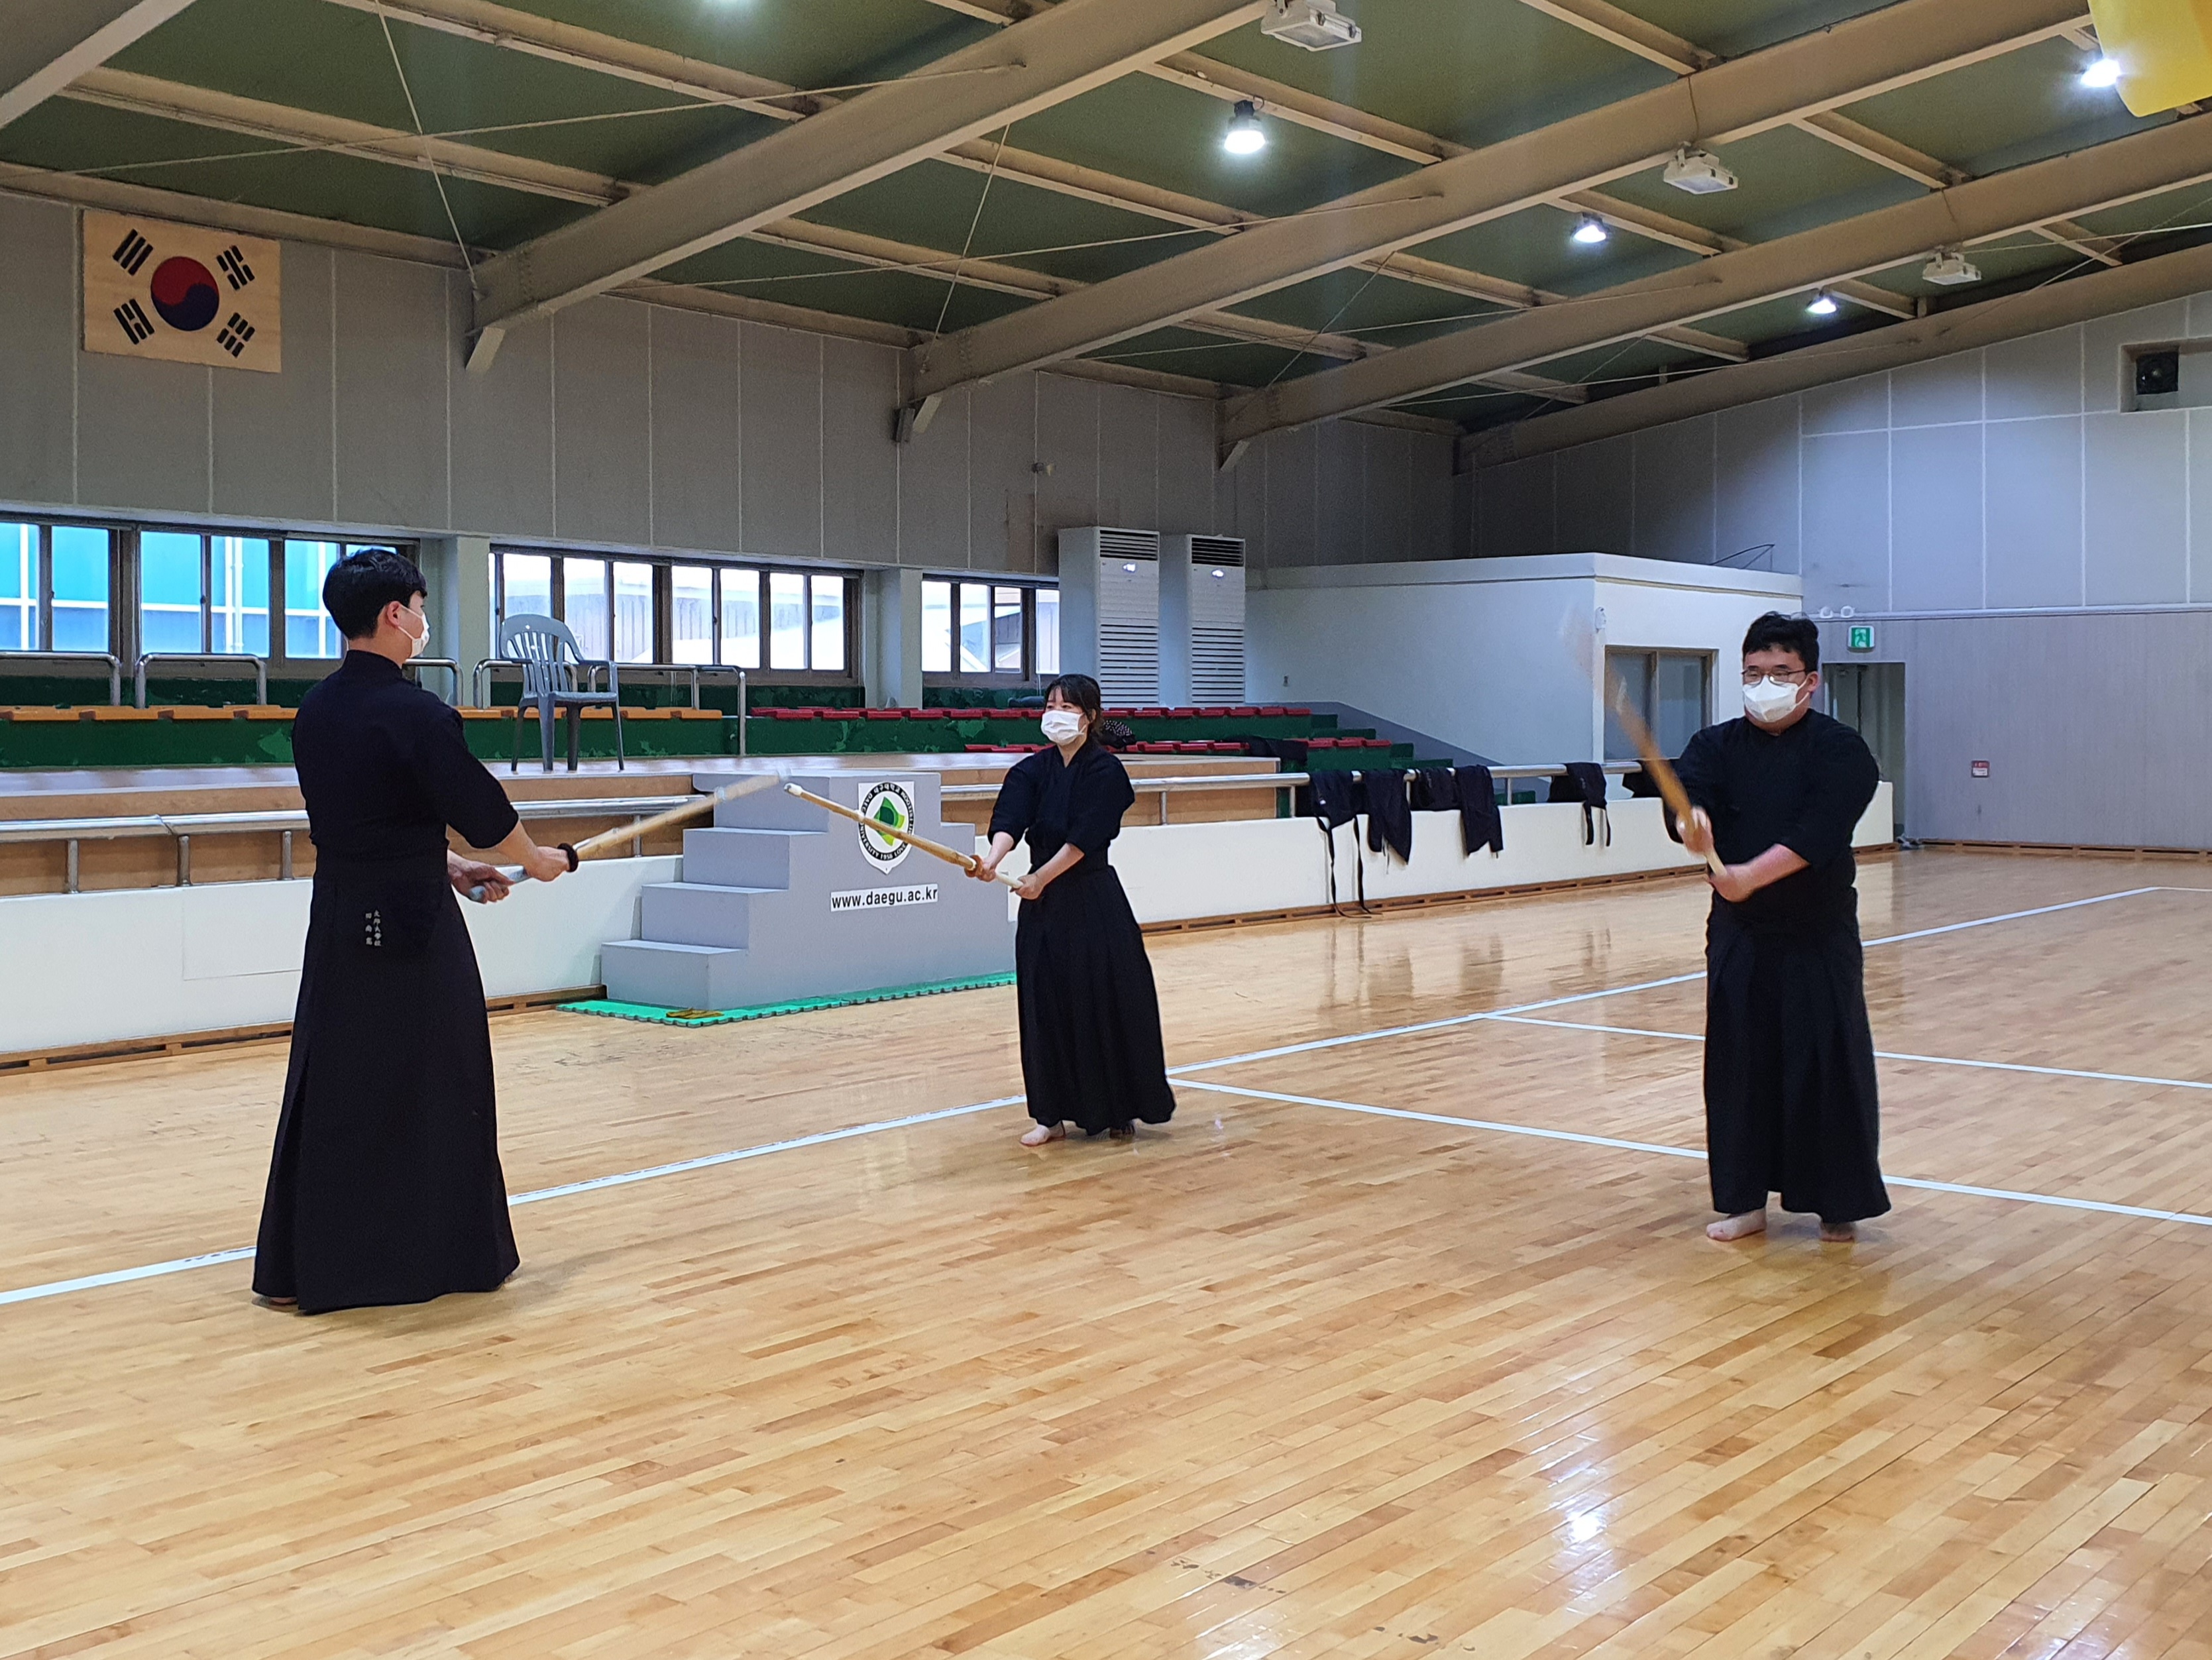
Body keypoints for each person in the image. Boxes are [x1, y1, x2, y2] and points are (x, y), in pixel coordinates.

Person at [252, 549, 573, 1314]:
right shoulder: (418, 714)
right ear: (395, 614)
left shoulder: (316, 709)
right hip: (409, 926)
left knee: (343, 1078)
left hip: (344, 918)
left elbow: (365, 821)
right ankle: (427, 1258)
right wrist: (539, 860)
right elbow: (483, 812)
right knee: (438, 1079)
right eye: (421, 609)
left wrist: (449, 866)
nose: (424, 623)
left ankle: (320, 1264)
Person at [1672, 612, 1889, 1245]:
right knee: (1738, 1062)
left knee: (1827, 1060)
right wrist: (1691, 823)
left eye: (1780, 672)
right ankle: (1743, 1200)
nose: (1764, 683)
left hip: (1818, 929)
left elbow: (1819, 832)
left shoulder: (1841, 750)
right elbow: (1688, 799)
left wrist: (1749, 875)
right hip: (1740, 931)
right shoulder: (1714, 745)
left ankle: (1838, 1201)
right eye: (1753, 672)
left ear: (1810, 680)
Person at [971, 673, 1176, 1144]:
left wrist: (1040, 878)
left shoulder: (1105, 772)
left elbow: (1085, 838)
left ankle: (1117, 1108)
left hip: (1092, 900)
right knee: (1044, 1003)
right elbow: (1010, 820)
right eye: (1050, 705)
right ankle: (1050, 1115)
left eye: (1067, 707)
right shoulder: (1032, 770)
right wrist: (993, 861)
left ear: (1091, 717)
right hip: (1043, 910)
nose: (1055, 714)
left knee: (1102, 1000)